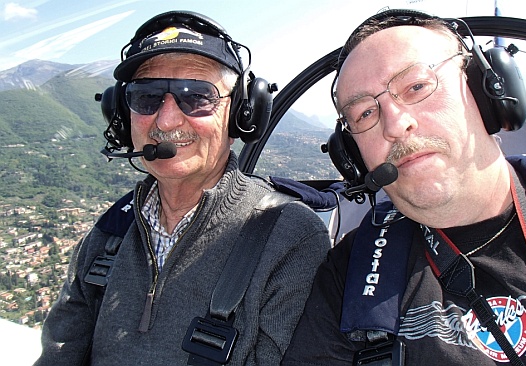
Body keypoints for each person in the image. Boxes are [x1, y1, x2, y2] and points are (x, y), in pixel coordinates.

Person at [34, 10, 330, 366]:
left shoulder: (290, 238)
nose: (167, 119)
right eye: (147, 97)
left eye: (197, 96)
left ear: (242, 112)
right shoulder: (108, 233)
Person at [282, 9, 526, 365]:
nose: (395, 124)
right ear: (354, 157)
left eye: (416, 87)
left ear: (486, 92)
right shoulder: (349, 276)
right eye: (365, 114)